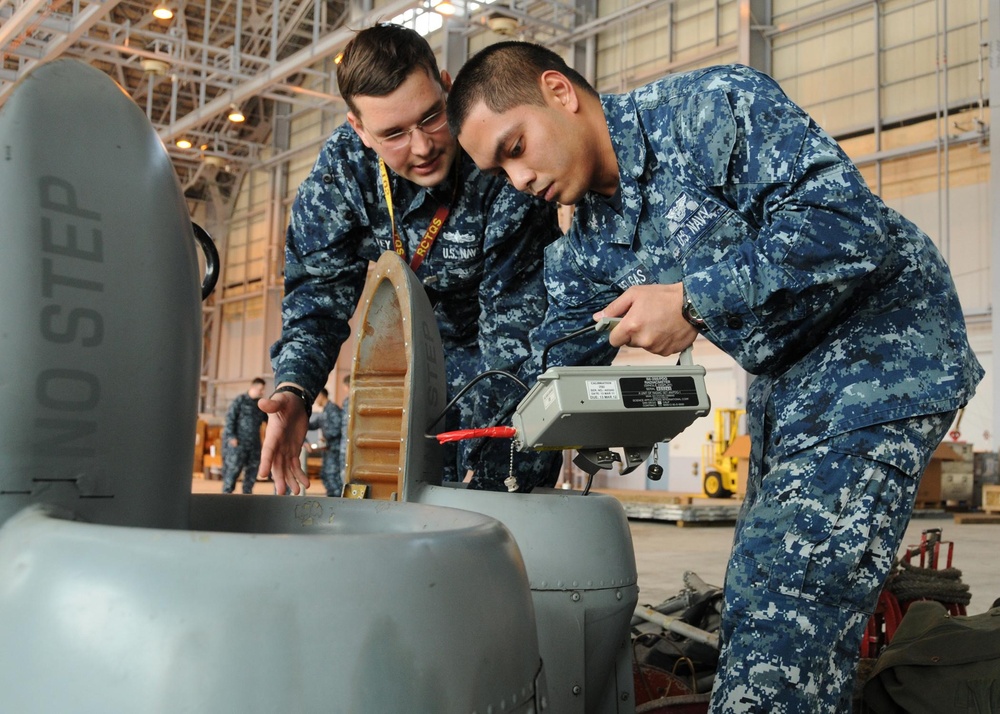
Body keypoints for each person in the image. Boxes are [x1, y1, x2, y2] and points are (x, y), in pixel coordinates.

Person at [447, 43, 984, 713]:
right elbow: (550, 369)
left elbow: (850, 225)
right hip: (787, 378)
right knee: (763, 601)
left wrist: (694, 299)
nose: (518, 178)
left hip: (882, 344)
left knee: (783, 601)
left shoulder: (708, 110)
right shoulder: (587, 245)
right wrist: (470, 498)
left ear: (559, 92)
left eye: (516, 146)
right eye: (499, 169)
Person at [257, 24, 564, 497]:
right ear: (359, 129)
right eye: (394, 133)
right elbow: (317, 299)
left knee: (506, 501)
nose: (421, 147)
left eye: (431, 117)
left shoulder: (496, 151)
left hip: (504, 358)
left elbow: (515, 330)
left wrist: (493, 470)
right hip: (407, 362)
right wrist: (297, 388)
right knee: (393, 499)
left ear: (445, 84)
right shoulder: (342, 175)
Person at [221, 377, 269, 494]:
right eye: (260, 389)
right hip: (238, 444)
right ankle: (226, 497)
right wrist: (231, 437)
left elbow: (268, 420)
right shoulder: (240, 401)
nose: (262, 392)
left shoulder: (260, 404)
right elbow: (230, 419)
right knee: (233, 472)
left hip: (254, 445)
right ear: (253, 387)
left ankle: (247, 496)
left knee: (252, 474)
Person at [309, 388, 345, 497]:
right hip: (328, 451)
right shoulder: (324, 411)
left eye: (316, 397)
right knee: (325, 475)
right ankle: (331, 499)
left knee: (333, 477)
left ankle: (337, 501)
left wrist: (326, 437)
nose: (315, 401)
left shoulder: (332, 409)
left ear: (321, 395)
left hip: (334, 450)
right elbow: (314, 425)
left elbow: (338, 428)